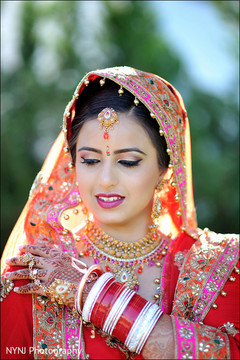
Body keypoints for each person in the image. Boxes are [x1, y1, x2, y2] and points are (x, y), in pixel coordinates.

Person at [1, 66, 239, 360]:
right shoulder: (37, 275)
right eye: (89, 160)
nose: (105, 180)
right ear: (73, 165)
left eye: (127, 162)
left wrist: (93, 294)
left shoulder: (221, 267)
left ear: (166, 169)